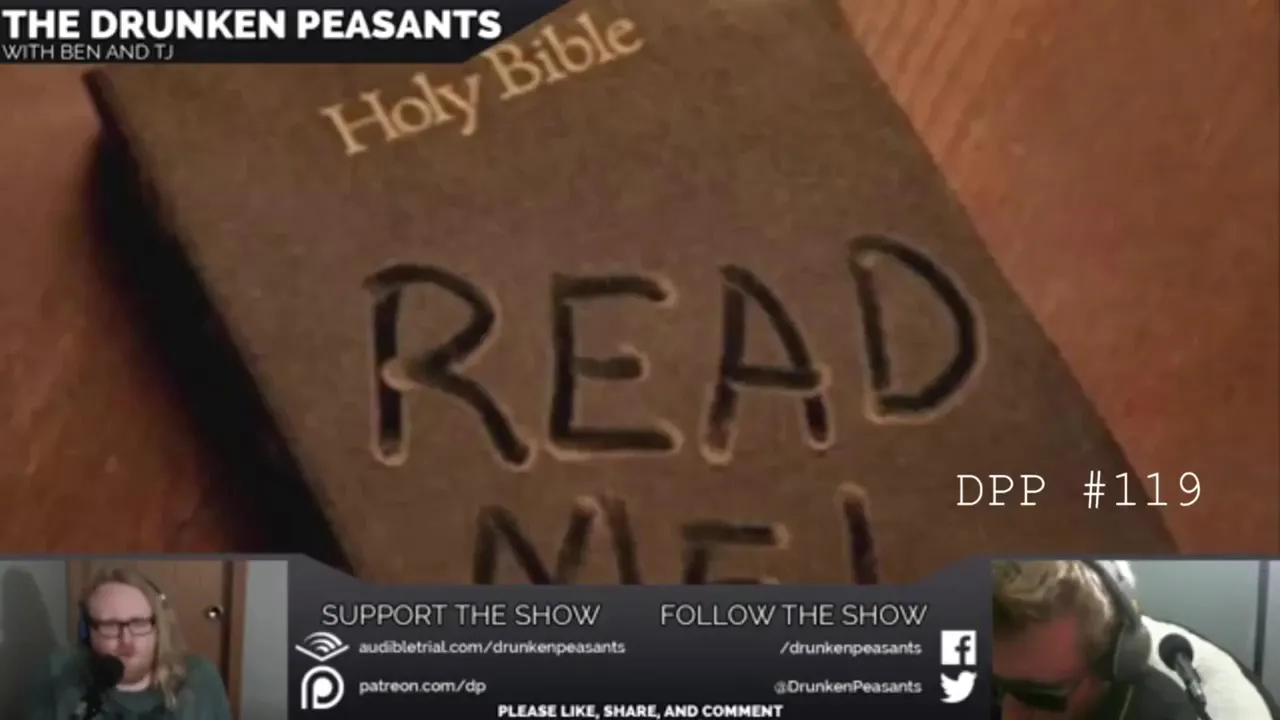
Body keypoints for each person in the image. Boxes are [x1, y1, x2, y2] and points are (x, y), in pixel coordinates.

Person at [991, 559, 1277, 720]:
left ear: (1116, 660)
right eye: (997, 686)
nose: (1010, 716)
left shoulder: (1204, 711)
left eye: (1039, 698)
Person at [24, 566, 233, 720]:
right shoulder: (58, 675)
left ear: (158, 628)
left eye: (139, 623)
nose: (126, 640)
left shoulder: (200, 678)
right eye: (110, 625)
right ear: (87, 633)